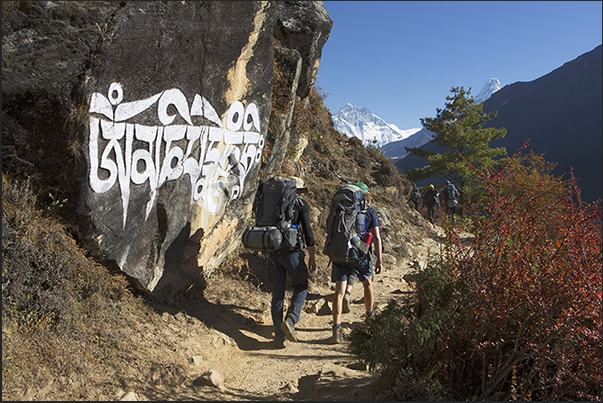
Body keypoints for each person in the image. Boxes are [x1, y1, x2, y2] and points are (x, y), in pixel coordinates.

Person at [330, 181, 383, 344]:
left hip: (340, 254)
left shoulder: (339, 210)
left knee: (339, 291)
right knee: (368, 284)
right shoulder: (369, 213)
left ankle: (336, 330)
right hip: (360, 254)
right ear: (366, 196)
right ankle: (369, 318)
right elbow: (376, 237)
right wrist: (379, 259)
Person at [269, 176, 316, 349]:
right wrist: (311, 257)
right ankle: (291, 319)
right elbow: (308, 232)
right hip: (292, 252)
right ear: (297, 190)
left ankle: (278, 334)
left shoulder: (273, 203)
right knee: (302, 285)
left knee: (278, 293)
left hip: (273, 252)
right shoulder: (300, 204)